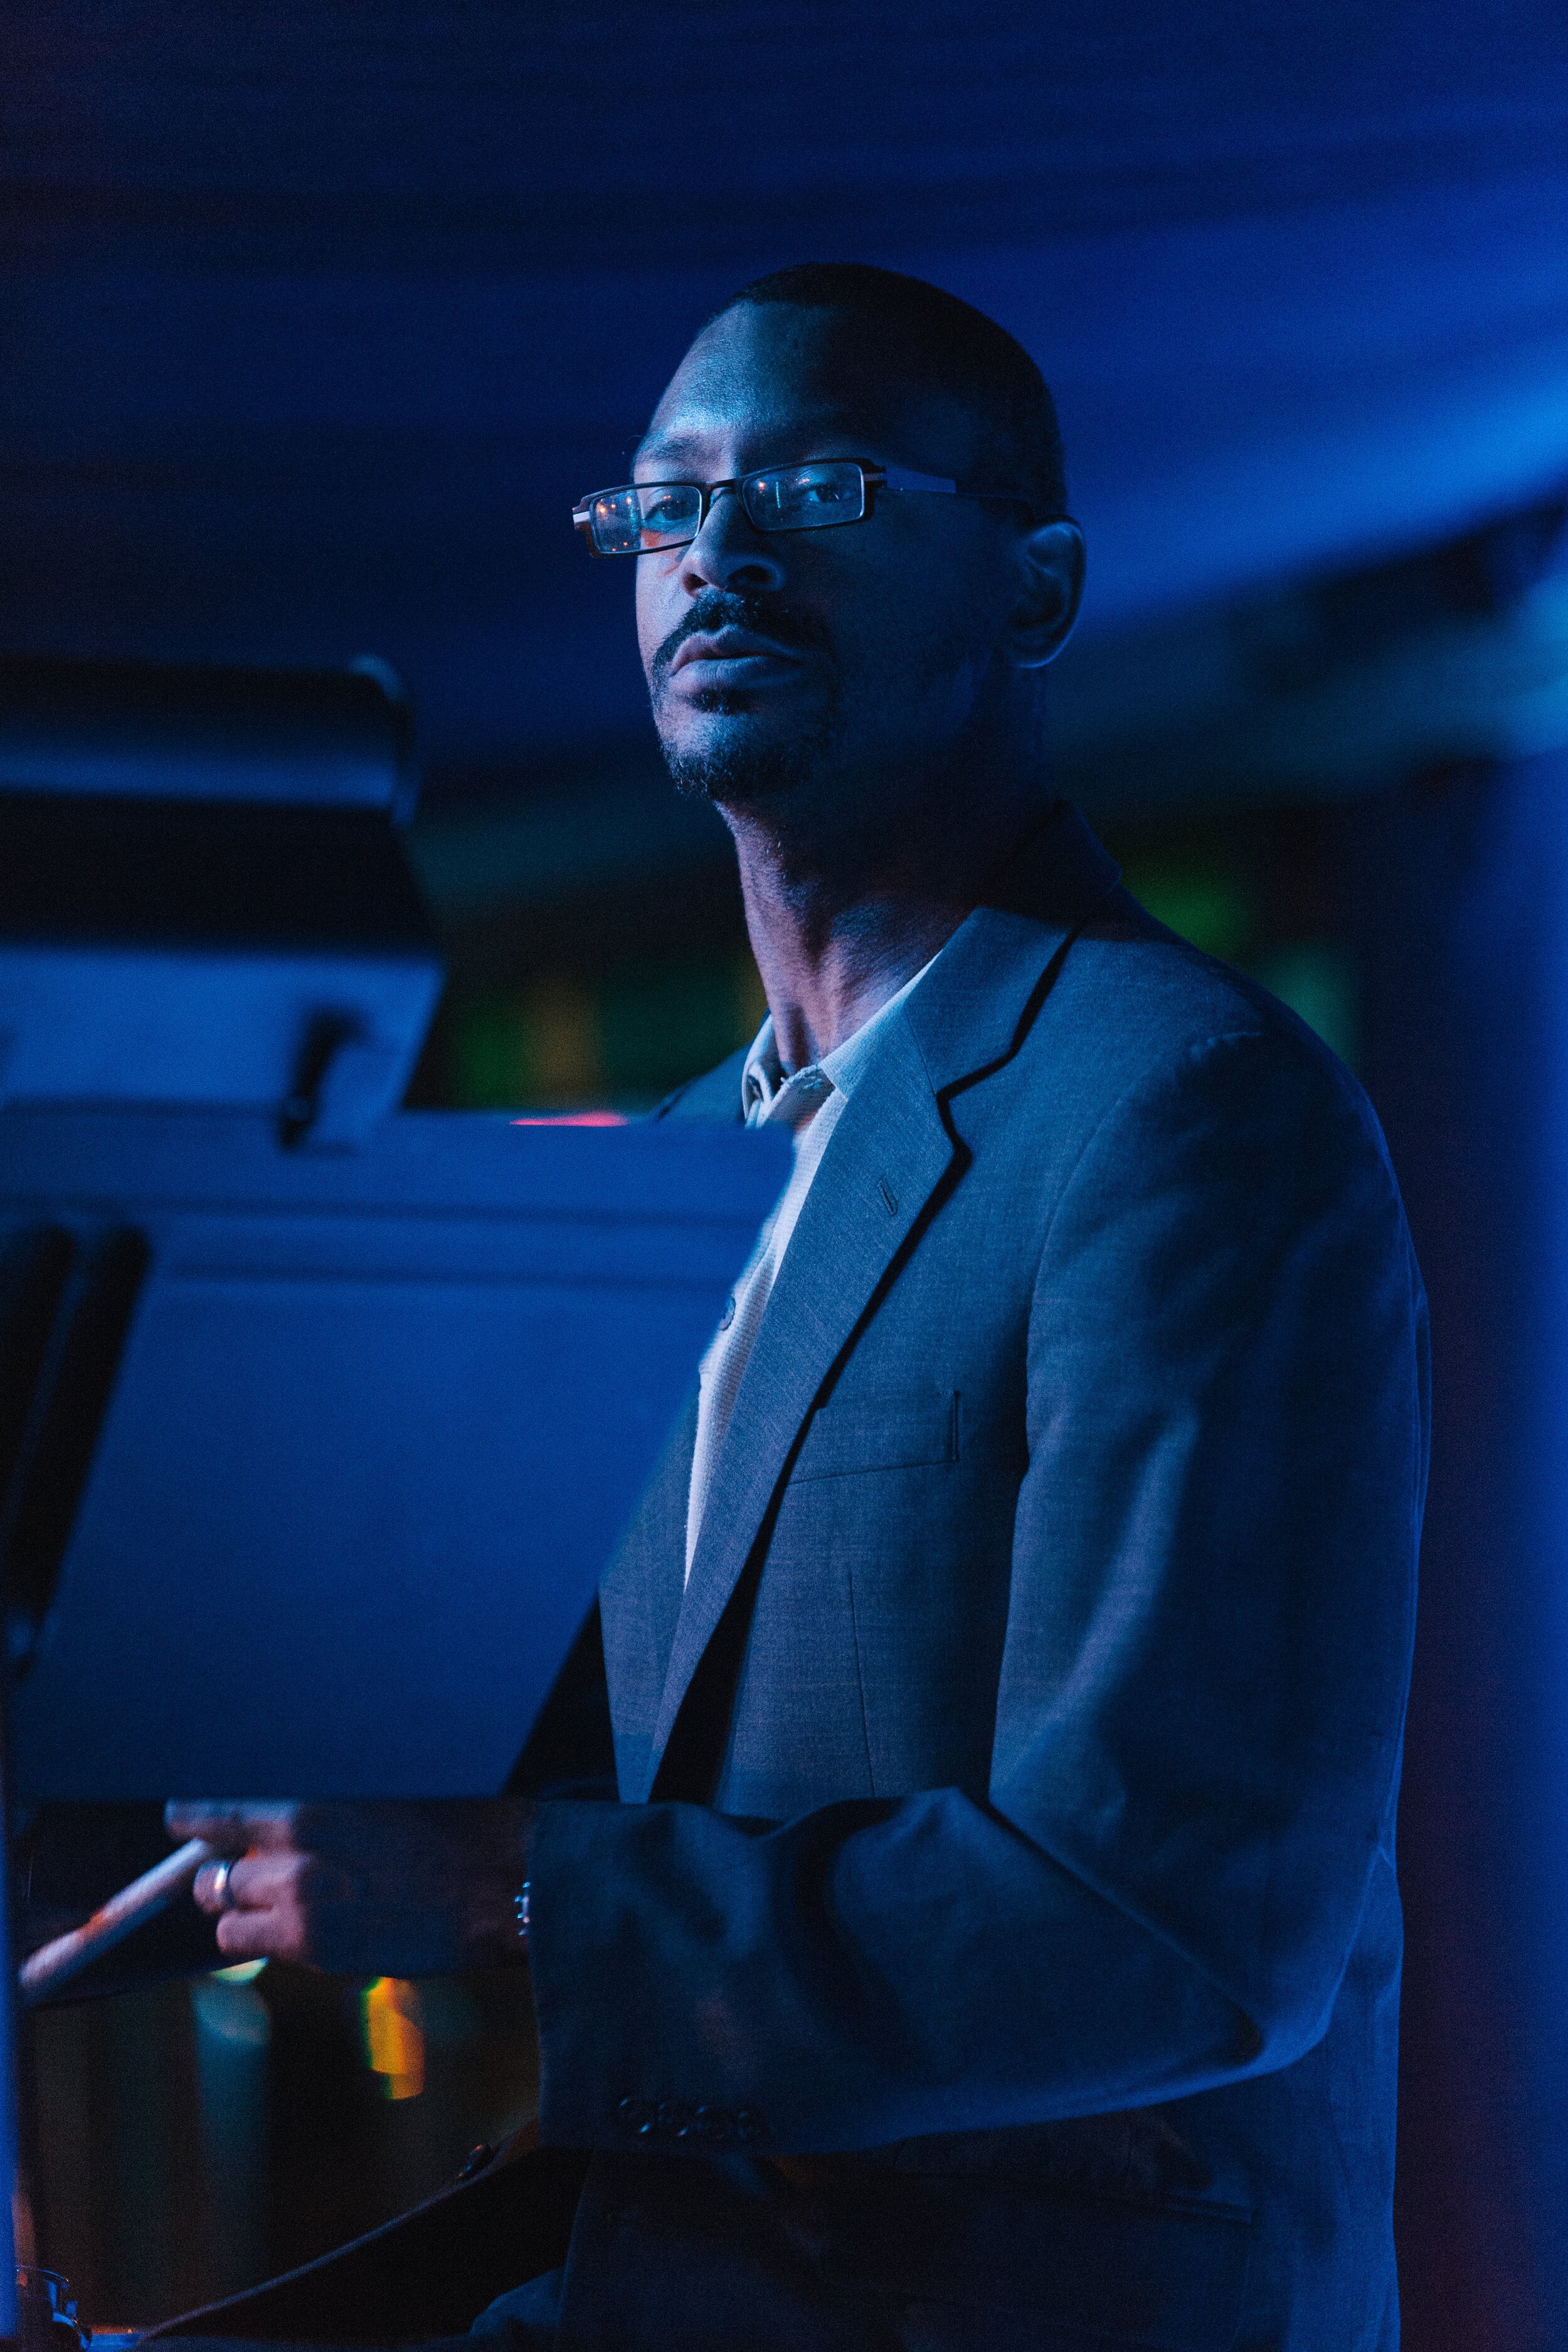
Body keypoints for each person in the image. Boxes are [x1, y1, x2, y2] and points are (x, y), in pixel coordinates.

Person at [152, 265, 1426, 2350]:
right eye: (661, 508)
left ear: (1036, 587)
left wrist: (502, 1888)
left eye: (818, 489)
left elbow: (1172, 1925)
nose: (716, 552)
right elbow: (597, 1783)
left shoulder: (1184, 1112)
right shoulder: (674, 1171)